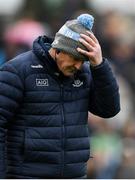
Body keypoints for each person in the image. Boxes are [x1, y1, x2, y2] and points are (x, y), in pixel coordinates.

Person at [0, 14, 120, 179]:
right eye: (75, 58)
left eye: (83, 60)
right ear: (57, 50)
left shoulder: (85, 72)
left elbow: (109, 110)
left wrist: (99, 66)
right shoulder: (17, 71)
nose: (78, 66)